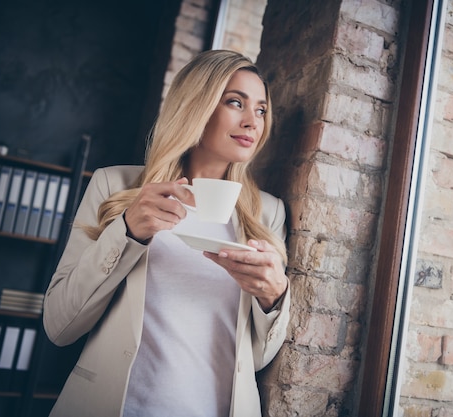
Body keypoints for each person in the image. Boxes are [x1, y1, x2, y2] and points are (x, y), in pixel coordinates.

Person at [43, 49, 291, 417]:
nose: (253, 122)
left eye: (261, 110)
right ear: (196, 106)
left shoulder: (267, 213)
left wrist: (273, 298)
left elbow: (255, 359)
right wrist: (127, 231)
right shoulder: (115, 186)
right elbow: (59, 326)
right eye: (235, 102)